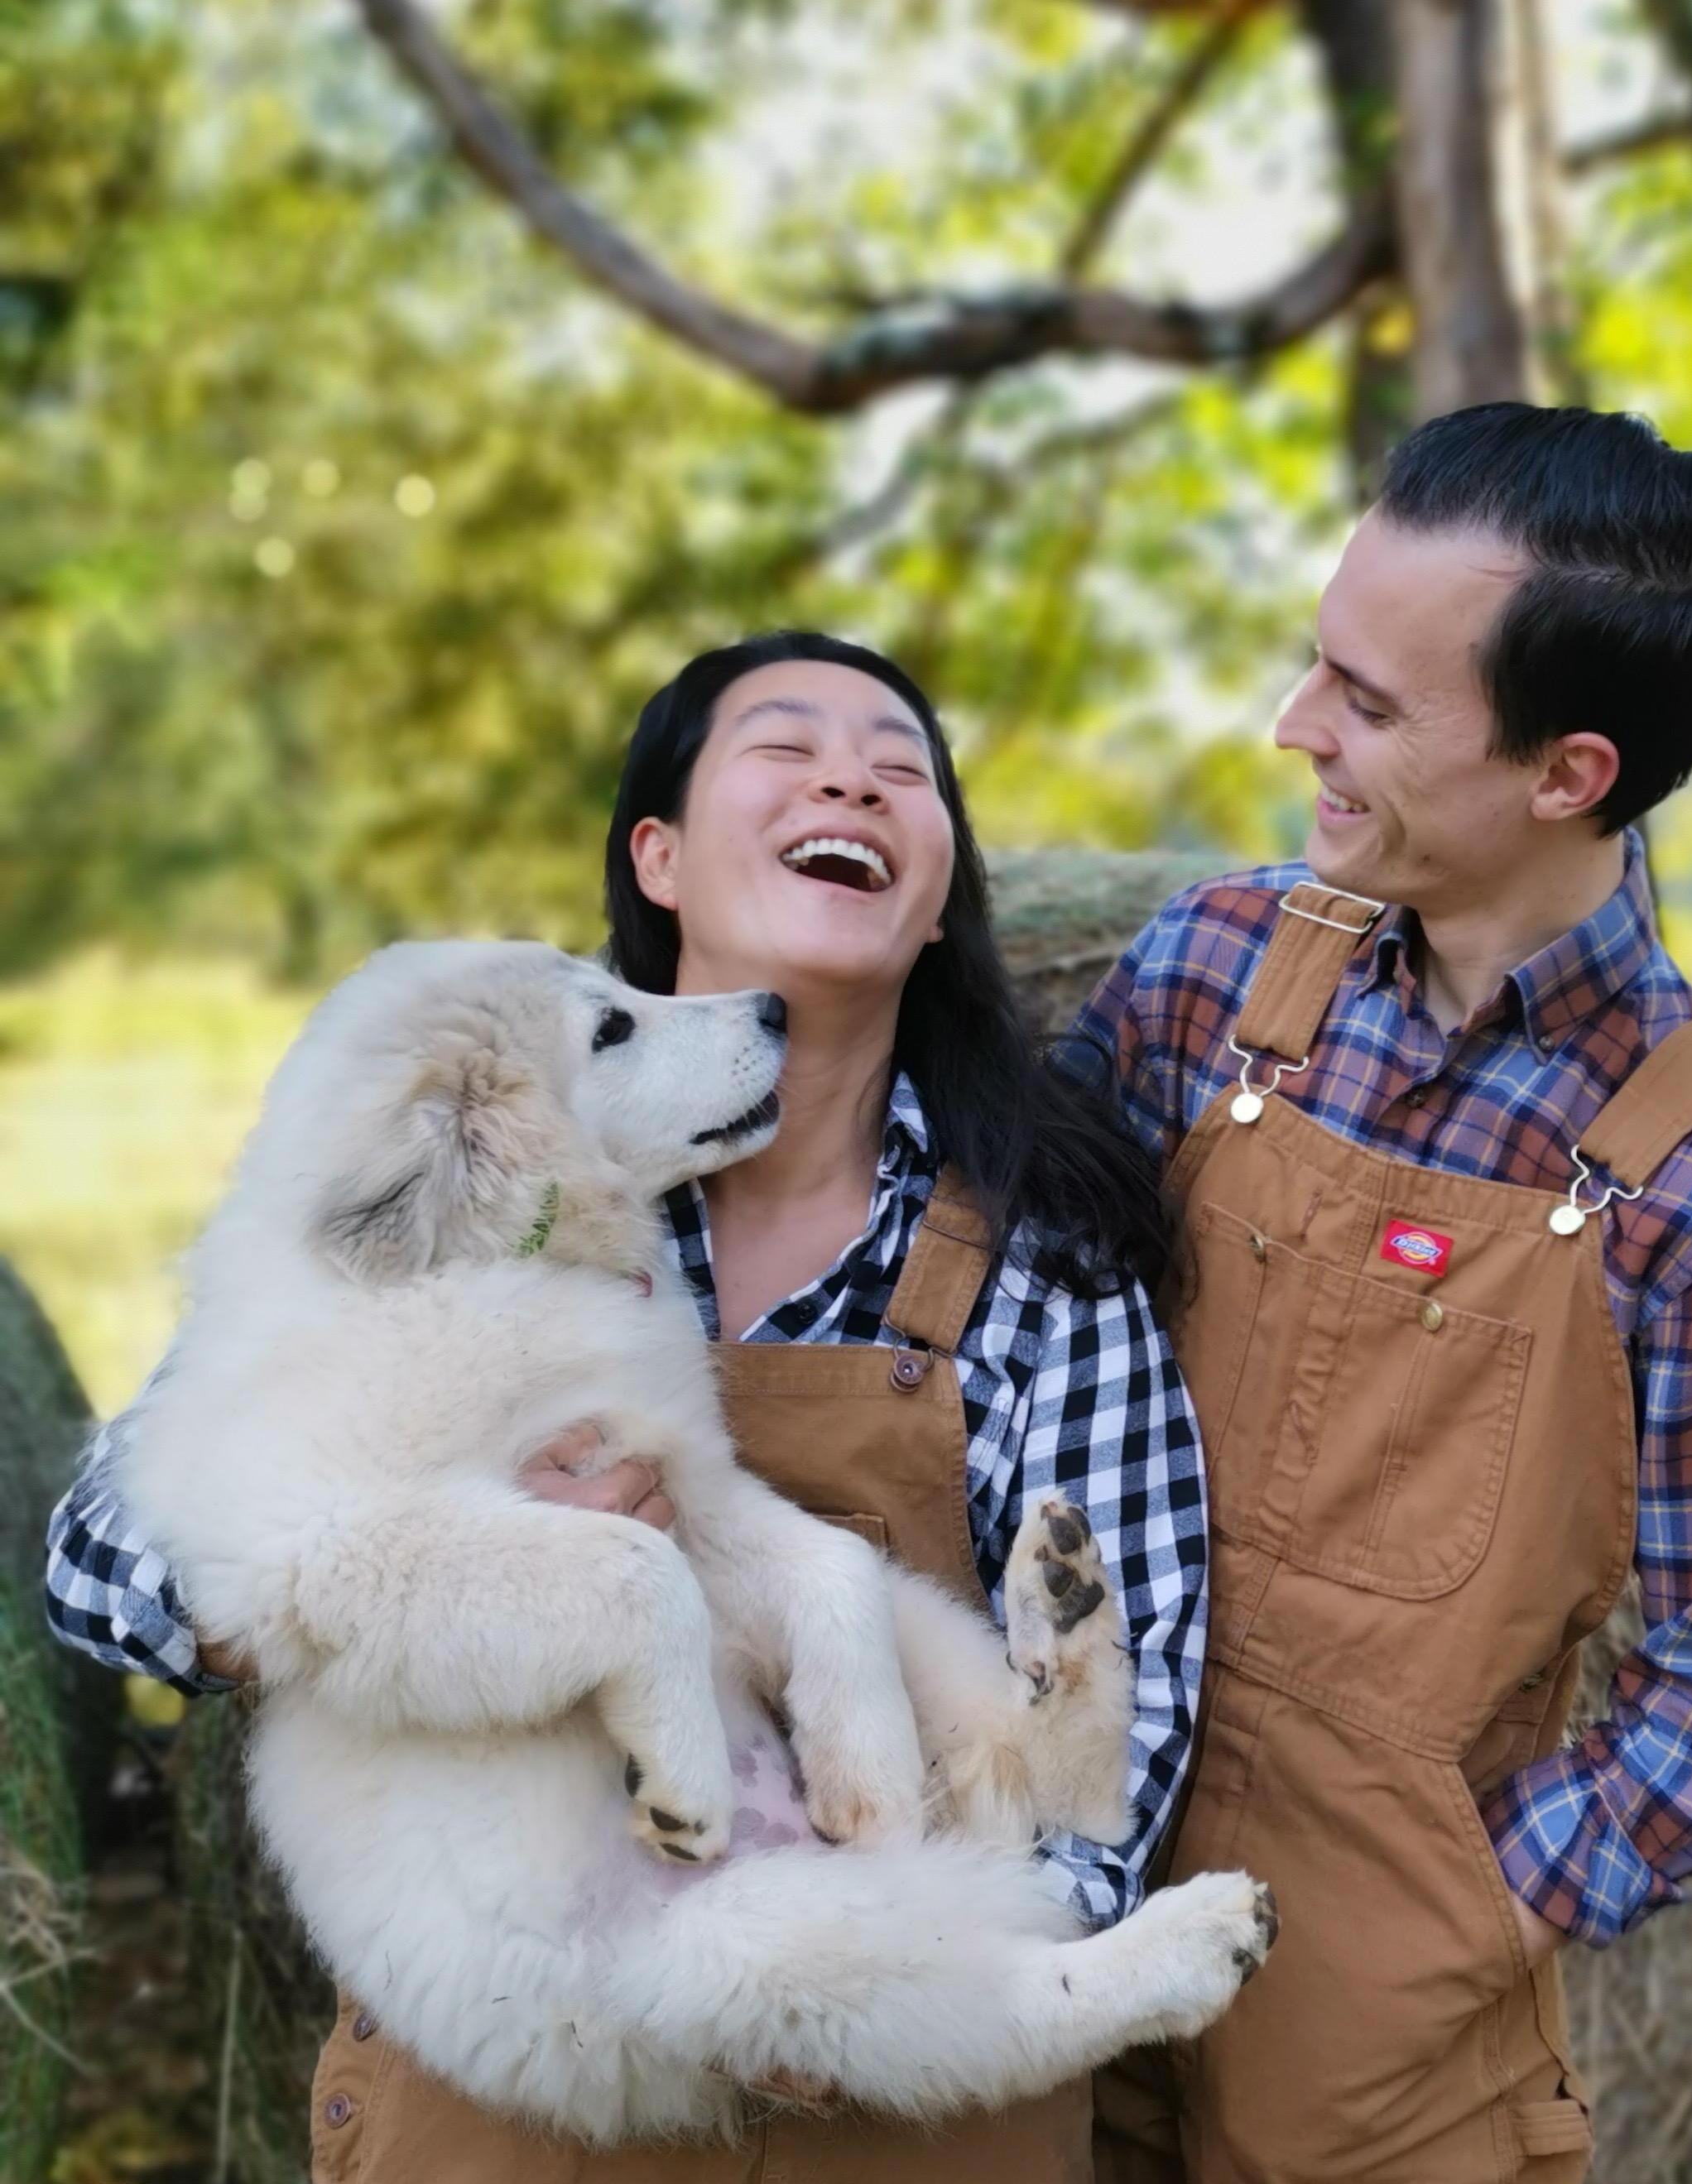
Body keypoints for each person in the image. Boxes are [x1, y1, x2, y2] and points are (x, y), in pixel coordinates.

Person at [45, 630, 1209, 2184]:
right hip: (515, 2055)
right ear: (655, 854)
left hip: (895, 2082)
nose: (852, 773)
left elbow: (1138, 1749)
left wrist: (937, 1963)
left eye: (903, 764)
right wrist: (355, 1597)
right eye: (786, 745)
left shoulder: (1041, 1261)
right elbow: (98, 1560)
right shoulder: (479, 1164)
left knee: (908, 1639)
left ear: (941, 897)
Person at [1065, 403, 1692, 2183]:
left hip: (1382, 2056)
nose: (1297, 730)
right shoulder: (1210, 974)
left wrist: (1466, 1911)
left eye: (1367, 702)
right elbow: (1007, 1321)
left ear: (1566, 773)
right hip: (1054, 1904)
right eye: (1317, 668)